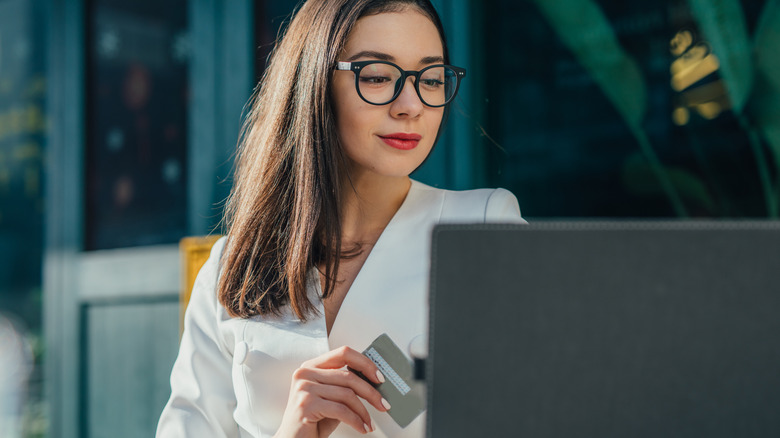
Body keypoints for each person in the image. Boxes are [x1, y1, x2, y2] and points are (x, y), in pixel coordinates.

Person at [156, 0, 524, 436]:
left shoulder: (481, 225)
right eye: (377, 77)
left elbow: (536, 413)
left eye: (430, 78)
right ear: (314, 82)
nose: (411, 105)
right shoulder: (230, 268)